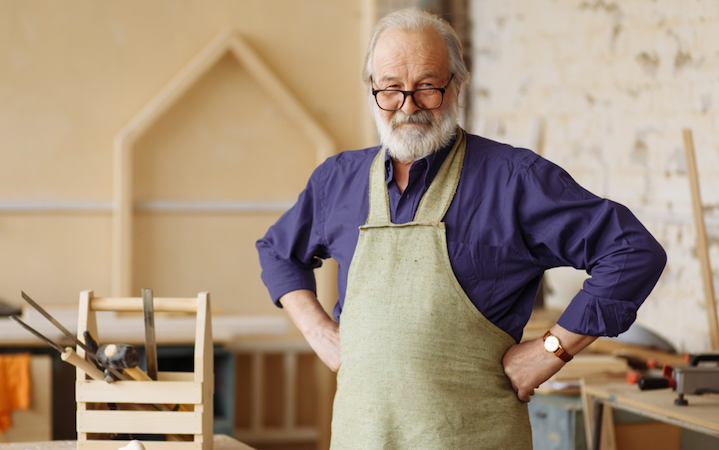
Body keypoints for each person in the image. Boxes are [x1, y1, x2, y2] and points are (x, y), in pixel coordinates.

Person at [256, 7, 666, 449]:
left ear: (457, 85)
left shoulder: (514, 179)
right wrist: (320, 332)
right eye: (391, 89)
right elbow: (278, 251)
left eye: (427, 87)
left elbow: (631, 252)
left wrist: (550, 351)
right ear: (372, 88)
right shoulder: (338, 180)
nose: (408, 106)